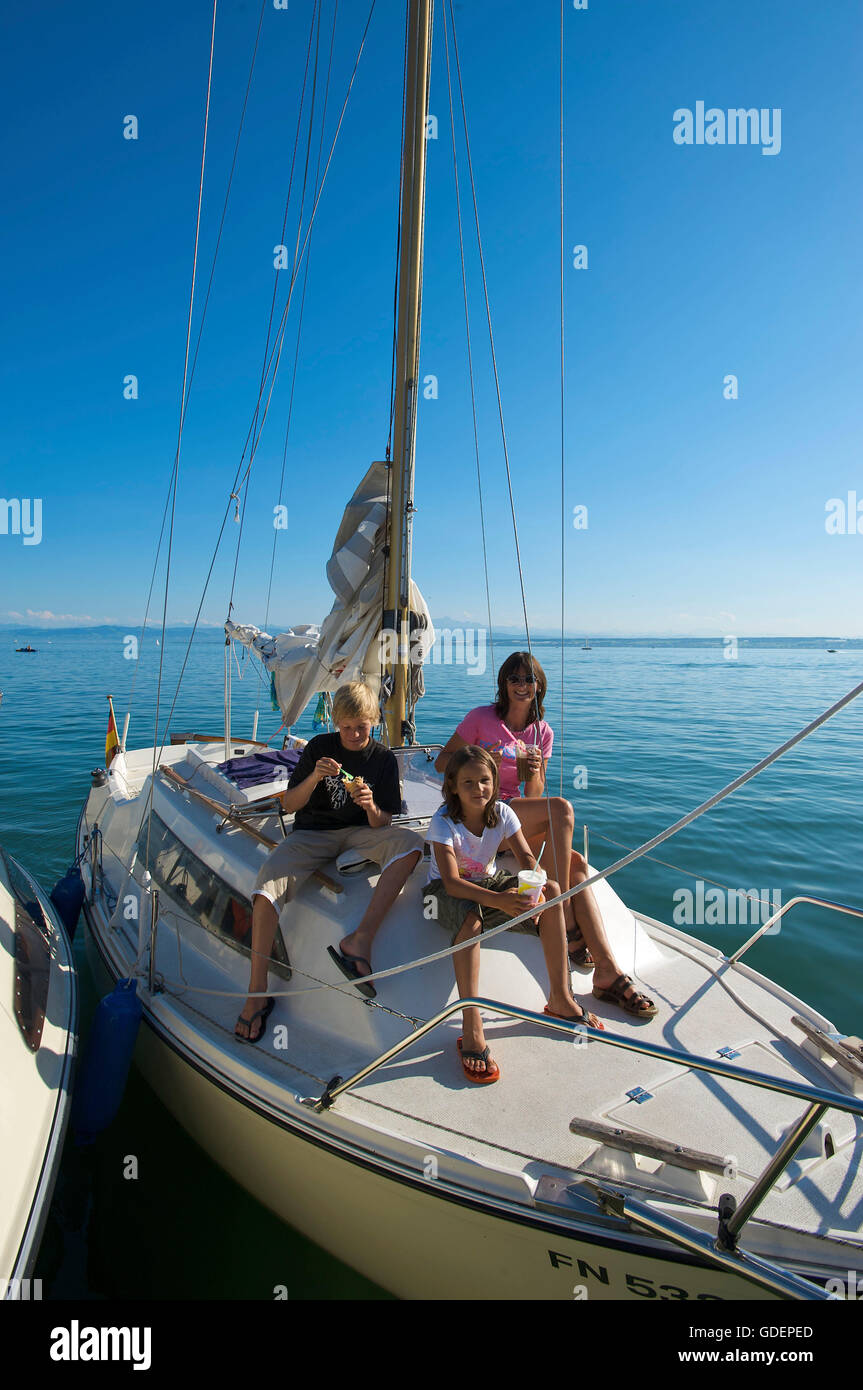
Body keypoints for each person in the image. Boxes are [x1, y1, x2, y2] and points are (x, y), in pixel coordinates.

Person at [435, 651, 656, 1019]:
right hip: (481, 812)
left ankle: (606, 969)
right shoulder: (481, 718)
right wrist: (480, 757)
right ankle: (564, 915)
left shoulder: (543, 732)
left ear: (540, 687)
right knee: (563, 810)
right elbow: (444, 763)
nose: (522, 686)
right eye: (514, 679)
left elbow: (533, 797)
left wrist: (533, 771)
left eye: (529, 680)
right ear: (504, 684)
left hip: (509, 821)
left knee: (577, 864)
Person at [235, 681, 423, 1042]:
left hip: (360, 833)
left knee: (411, 845)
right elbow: (290, 805)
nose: (353, 734)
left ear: (374, 721)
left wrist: (369, 805)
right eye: (346, 726)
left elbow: (383, 821)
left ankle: (360, 940)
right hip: (313, 834)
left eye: (362, 727)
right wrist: (315, 777)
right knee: (264, 889)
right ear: (336, 721)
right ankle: (256, 990)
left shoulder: (383, 759)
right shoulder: (320, 748)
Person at [425, 745, 603, 1084]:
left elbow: (526, 859)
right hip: (445, 893)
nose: (478, 789)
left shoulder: (503, 814)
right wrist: (501, 902)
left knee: (551, 889)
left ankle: (561, 997)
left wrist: (532, 892)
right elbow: (450, 882)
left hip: (489, 882)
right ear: (452, 787)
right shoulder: (443, 821)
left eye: (485, 781)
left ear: (494, 781)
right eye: (468, 783)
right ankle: (472, 1024)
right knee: (472, 920)